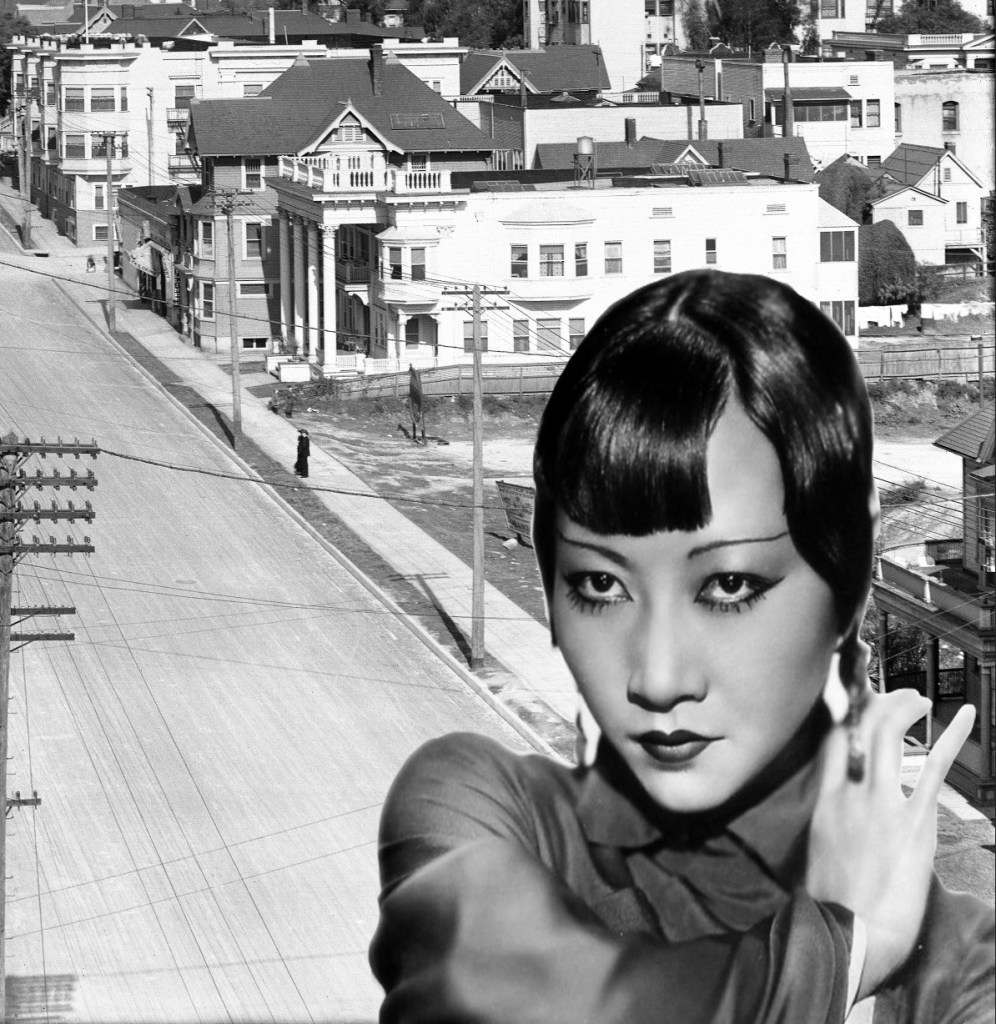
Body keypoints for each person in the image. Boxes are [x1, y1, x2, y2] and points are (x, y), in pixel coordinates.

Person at [369, 270, 993, 1023]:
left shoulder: (965, 966)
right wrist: (852, 946)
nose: (658, 678)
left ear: (846, 579)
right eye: (602, 584)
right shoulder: (472, 811)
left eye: (728, 585)